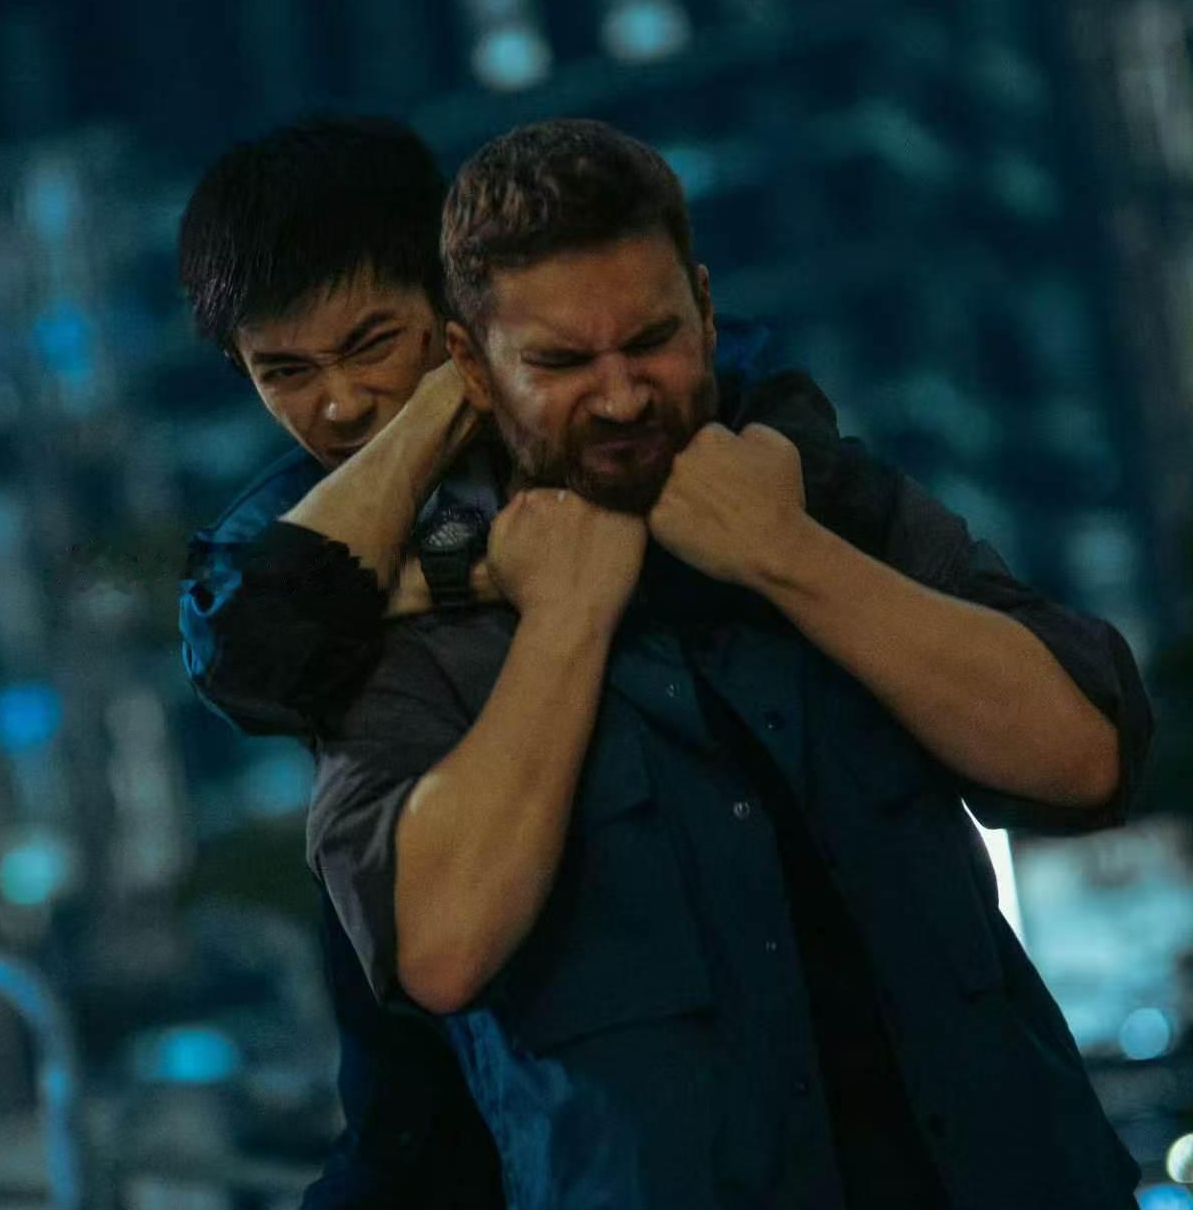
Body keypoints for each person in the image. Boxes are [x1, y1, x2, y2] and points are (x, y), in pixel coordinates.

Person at [305, 117, 1151, 1209]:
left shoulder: (829, 497)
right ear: (471, 366)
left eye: (650, 341)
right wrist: (564, 620)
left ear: (705, 311)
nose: (621, 395)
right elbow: (439, 945)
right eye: (561, 362)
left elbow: (1084, 755)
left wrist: (787, 556)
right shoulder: (411, 629)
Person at [175, 116, 805, 1207]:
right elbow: (248, 651)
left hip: (683, 1030)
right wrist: (436, 411)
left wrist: (408, 568)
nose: (337, 403)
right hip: (433, 1077)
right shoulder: (283, 523)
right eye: (285, 371)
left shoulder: (630, 390)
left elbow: (750, 468)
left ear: (450, 294)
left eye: (374, 344)